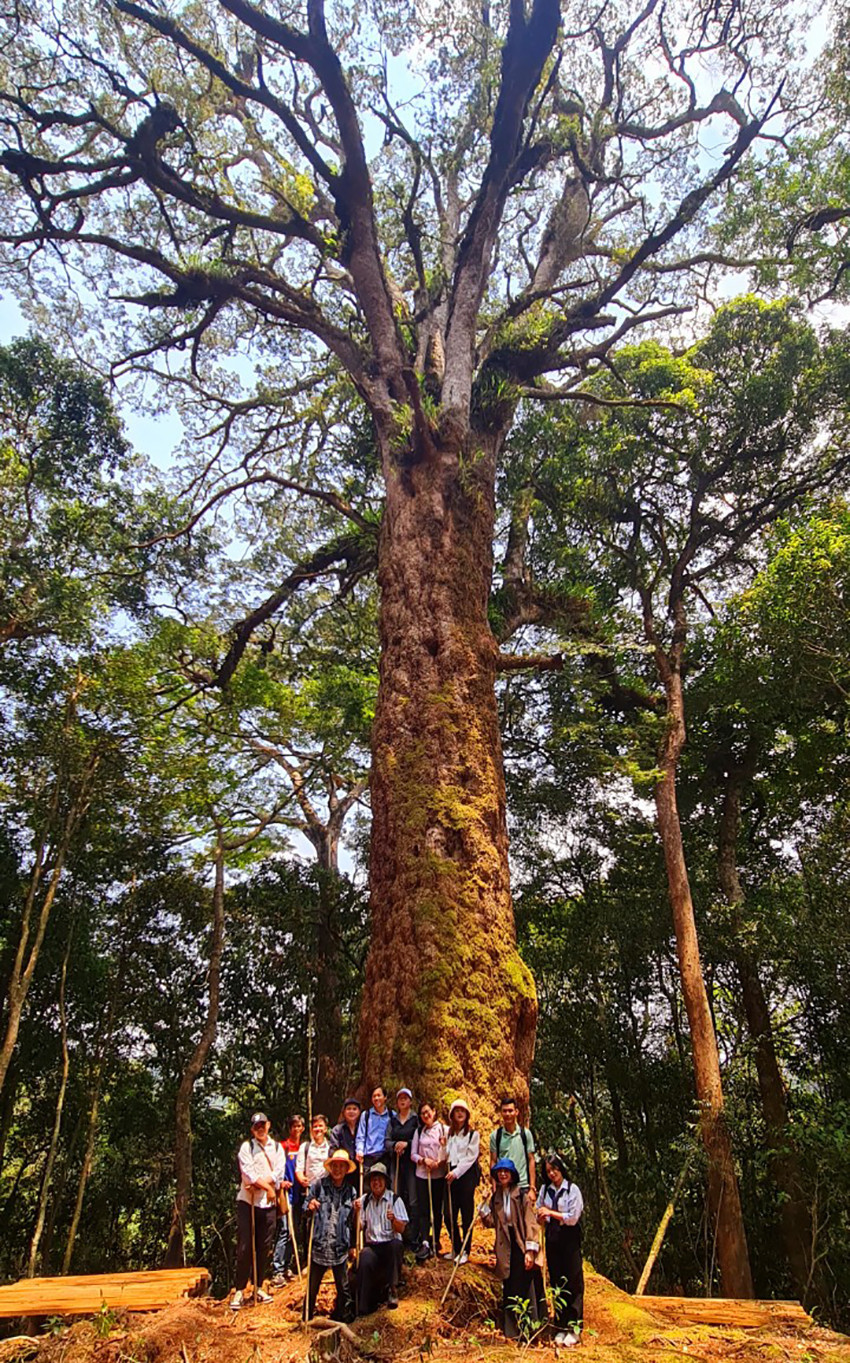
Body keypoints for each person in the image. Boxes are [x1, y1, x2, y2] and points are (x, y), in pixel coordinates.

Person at [479, 1157, 541, 1340]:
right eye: (499, 1172)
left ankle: (531, 1330)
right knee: (509, 1285)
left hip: (520, 1243)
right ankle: (511, 1331)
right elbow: (491, 1221)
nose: (503, 1174)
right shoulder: (496, 1197)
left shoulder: (521, 1195)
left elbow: (531, 1222)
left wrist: (530, 1251)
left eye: (506, 1172)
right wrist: (483, 1204)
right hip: (505, 1247)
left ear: (512, 1174)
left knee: (525, 1285)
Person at [232, 1112, 286, 1311]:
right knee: (245, 1246)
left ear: (268, 1125)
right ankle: (239, 1289)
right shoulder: (247, 1147)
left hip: (267, 1203)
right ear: (252, 1129)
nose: (260, 1129)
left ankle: (258, 1285)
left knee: (264, 1246)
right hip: (248, 1202)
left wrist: (263, 1185)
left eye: (263, 1125)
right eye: (256, 1126)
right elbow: (248, 1175)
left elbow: (278, 1173)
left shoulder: (277, 1148)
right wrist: (268, 1186)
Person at [303, 1150, 357, 1322]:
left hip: (339, 1246)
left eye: (341, 1166)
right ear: (330, 1167)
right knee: (312, 1287)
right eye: (335, 1165)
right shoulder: (319, 1186)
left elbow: (354, 1222)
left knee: (343, 1287)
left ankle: (345, 1320)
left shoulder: (351, 1192)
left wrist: (353, 1245)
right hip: (320, 1244)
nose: (338, 1169)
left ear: (346, 1169)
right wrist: (309, 1205)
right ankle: (306, 1319)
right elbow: (305, 1207)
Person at [538, 1154, 584, 1347]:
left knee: (573, 1281)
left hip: (570, 1238)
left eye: (554, 1169)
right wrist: (542, 1215)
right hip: (552, 1238)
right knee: (557, 1281)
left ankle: (574, 1327)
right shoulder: (545, 1190)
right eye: (548, 1171)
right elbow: (539, 1208)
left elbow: (573, 1217)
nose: (552, 1173)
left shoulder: (572, 1190)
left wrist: (551, 1213)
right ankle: (560, 1325)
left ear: (562, 1168)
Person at [354, 1161, 408, 1314]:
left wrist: (394, 1220)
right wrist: (356, 1213)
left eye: (379, 1179)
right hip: (373, 1246)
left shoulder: (394, 1200)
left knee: (396, 1246)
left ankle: (392, 1290)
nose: (376, 1183)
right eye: (373, 1179)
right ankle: (363, 1305)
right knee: (364, 1257)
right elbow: (359, 1227)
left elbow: (402, 1228)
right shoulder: (364, 1201)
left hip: (389, 1243)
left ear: (385, 1181)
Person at [444, 1097, 480, 1264]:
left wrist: (456, 1172)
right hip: (451, 1176)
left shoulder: (473, 1135)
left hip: (466, 1177)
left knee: (466, 1214)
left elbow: (470, 1157)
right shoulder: (449, 1134)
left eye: (462, 1111)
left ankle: (466, 1250)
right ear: (452, 1114)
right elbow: (447, 1154)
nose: (459, 1114)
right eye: (456, 1111)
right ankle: (456, 1247)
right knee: (449, 1213)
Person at [411, 1099, 447, 1261]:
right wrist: (423, 1160)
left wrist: (439, 1162)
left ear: (434, 1111)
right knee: (424, 1208)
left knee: (437, 1209)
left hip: (438, 1175)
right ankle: (425, 1240)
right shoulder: (419, 1132)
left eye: (428, 1111)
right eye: (423, 1113)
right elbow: (413, 1154)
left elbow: (449, 1151)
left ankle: (436, 1239)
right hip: (422, 1175)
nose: (426, 1115)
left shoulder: (444, 1130)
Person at [272, 1114, 305, 1283]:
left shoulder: (304, 1147)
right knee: (285, 1230)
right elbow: (276, 1167)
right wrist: (280, 1182)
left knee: (294, 1231)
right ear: (290, 1128)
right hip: (286, 1195)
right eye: (294, 1126)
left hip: (299, 1195)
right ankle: (277, 1269)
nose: (296, 1129)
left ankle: (286, 1267)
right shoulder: (282, 1147)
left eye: (299, 1126)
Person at [384, 1087, 418, 1248]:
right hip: (396, 1163)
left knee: (412, 1197)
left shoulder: (416, 1120)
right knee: (396, 1194)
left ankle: (412, 1236)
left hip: (411, 1165)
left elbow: (420, 1139)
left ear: (410, 1101)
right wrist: (395, 1145)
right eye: (400, 1099)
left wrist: (408, 1144)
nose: (403, 1101)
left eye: (406, 1098)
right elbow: (387, 1140)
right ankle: (397, 1234)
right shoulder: (393, 1120)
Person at [296, 1115, 331, 1257]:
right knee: (309, 1223)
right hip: (309, 1188)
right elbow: (299, 1168)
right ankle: (309, 1257)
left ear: (325, 1128)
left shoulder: (330, 1147)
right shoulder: (305, 1147)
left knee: (326, 1221)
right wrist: (301, 1179)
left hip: (327, 1189)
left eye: (320, 1126)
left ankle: (325, 1256)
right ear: (311, 1129)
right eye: (315, 1126)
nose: (318, 1129)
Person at [489, 1095, 537, 1198]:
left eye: (510, 1111)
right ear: (501, 1113)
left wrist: (532, 1188)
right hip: (503, 1186)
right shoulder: (496, 1136)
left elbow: (531, 1160)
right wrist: (494, 1187)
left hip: (522, 1186)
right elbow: (493, 1161)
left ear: (516, 1112)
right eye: (504, 1111)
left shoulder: (525, 1134)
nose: (507, 1114)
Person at [356, 1085, 392, 1173]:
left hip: (385, 1157)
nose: (376, 1098)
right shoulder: (366, 1115)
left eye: (379, 1095)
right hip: (369, 1157)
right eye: (374, 1096)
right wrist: (359, 1151)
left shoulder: (391, 1115)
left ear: (385, 1097)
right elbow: (361, 1136)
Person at [329, 1098, 362, 1188]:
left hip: (361, 1169)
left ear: (359, 1112)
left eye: (354, 1109)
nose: (351, 1111)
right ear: (344, 1112)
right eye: (349, 1109)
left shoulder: (363, 1129)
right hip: (343, 1170)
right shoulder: (337, 1130)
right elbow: (333, 1150)